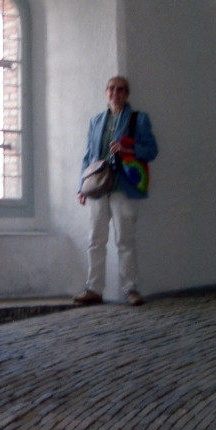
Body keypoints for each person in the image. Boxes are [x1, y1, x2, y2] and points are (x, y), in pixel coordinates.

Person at [74, 76, 158, 306]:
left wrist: (128, 147)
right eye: (111, 89)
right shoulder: (96, 121)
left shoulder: (138, 119)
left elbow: (151, 150)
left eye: (121, 90)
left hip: (124, 187)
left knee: (125, 240)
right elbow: (88, 156)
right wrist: (82, 186)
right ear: (106, 92)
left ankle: (130, 289)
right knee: (95, 239)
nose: (115, 93)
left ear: (127, 94)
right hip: (98, 187)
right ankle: (93, 288)